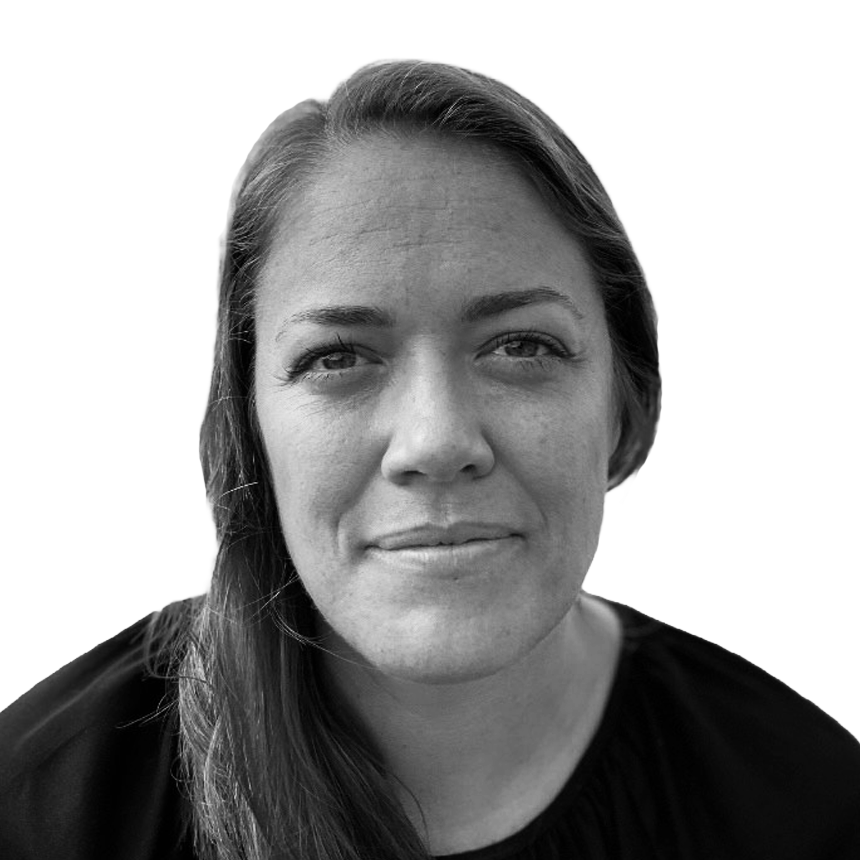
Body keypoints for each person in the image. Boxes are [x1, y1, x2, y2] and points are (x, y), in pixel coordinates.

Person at [1, 60, 858, 860]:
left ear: (623, 399)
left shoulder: (809, 807)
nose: (437, 441)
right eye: (338, 358)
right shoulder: (39, 810)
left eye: (522, 345)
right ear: (247, 423)